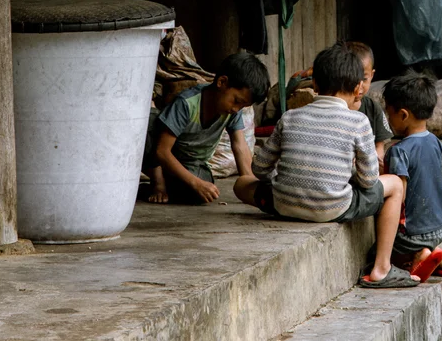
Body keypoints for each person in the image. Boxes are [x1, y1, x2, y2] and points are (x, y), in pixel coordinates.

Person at [235, 44, 420, 288]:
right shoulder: (359, 121)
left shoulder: (289, 117)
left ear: (314, 86)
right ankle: (382, 268)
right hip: (333, 207)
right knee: (395, 184)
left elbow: (259, 170)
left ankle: (294, 198)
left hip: (283, 205)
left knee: (241, 183)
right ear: (357, 89)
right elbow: (367, 181)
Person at [151, 52, 270, 204]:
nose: (236, 109)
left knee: (199, 192)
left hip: (192, 165)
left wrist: (249, 186)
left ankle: (171, 185)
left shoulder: (232, 111)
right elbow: (162, 151)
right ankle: (158, 182)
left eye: (242, 106)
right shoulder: (187, 104)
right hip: (163, 160)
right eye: (236, 101)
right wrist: (195, 183)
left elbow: (239, 145)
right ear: (222, 82)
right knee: (150, 124)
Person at [383, 72, 442, 278]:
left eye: (389, 113)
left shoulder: (399, 151)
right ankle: (439, 256)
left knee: (381, 247)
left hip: (413, 235)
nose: (388, 119)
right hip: (441, 228)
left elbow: (399, 195)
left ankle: (421, 254)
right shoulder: (435, 141)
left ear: (403, 115)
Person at [344, 40, 393, 168]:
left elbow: (379, 146)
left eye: (364, 79)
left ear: (372, 75)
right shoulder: (337, 108)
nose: (359, 86)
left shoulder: (373, 108)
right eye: (353, 79)